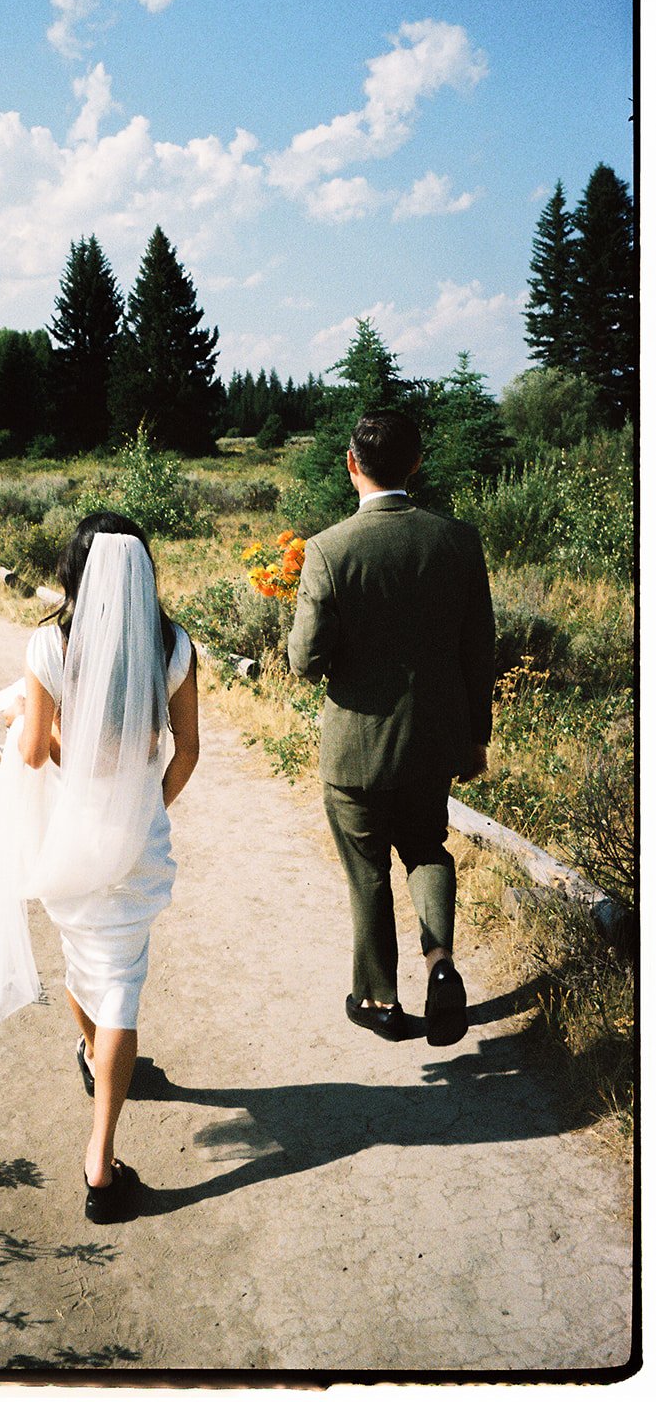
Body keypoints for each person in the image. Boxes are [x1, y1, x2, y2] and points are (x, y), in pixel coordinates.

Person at [0, 510, 199, 1222]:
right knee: (120, 988)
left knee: (84, 964)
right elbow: (187, 750)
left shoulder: (49, 644)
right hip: (135, 847)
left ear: (74, 572)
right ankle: (100, 1164)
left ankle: (94, 1061)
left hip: (68, 838)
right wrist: (146, 809)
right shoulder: (172, 645)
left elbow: (32, 754)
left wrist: (24, 718)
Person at [287, 411, 495, 1046]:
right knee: (427, 849)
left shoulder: (328, 550)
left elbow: (305, 660)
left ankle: (380, 1000)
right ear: (417, 463)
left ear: (352, 463)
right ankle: (441, 965)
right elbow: (479, 649)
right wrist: (475, 737)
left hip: (356, 750)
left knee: (367, 870)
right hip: (432, 743)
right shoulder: (458, 541)